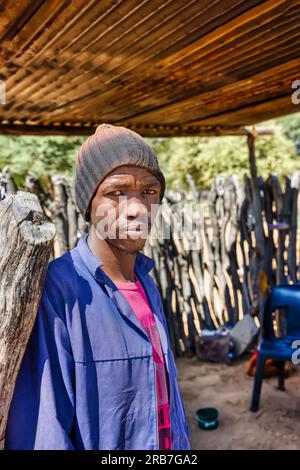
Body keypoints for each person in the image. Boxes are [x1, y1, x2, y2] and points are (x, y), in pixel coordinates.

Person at [5, 124, 190, 450]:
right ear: (89, 204)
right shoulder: (58, 294)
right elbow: (46, 435)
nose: (136, 209)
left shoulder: (146, 284)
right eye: (116, 193)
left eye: (149, 192)